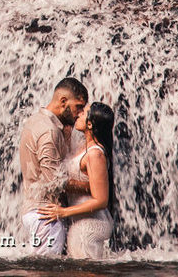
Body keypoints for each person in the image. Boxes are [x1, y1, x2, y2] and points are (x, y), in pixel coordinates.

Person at [17, 77, 90, 255]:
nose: (80, 113)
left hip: (36, 211)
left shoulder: (36, 121)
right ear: (63, 101)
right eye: (78, 107)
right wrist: (89, 187)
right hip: (46, 216)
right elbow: (55, 181)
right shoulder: (49, 131)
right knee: (46, 271)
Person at [39, 101, 115, 259]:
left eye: (84, 112)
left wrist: (63, 212)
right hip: (80, 221)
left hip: (89, 225)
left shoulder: (95, 154)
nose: (79, 113)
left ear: (90, 124)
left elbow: (101, 200)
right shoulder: (83, 146)